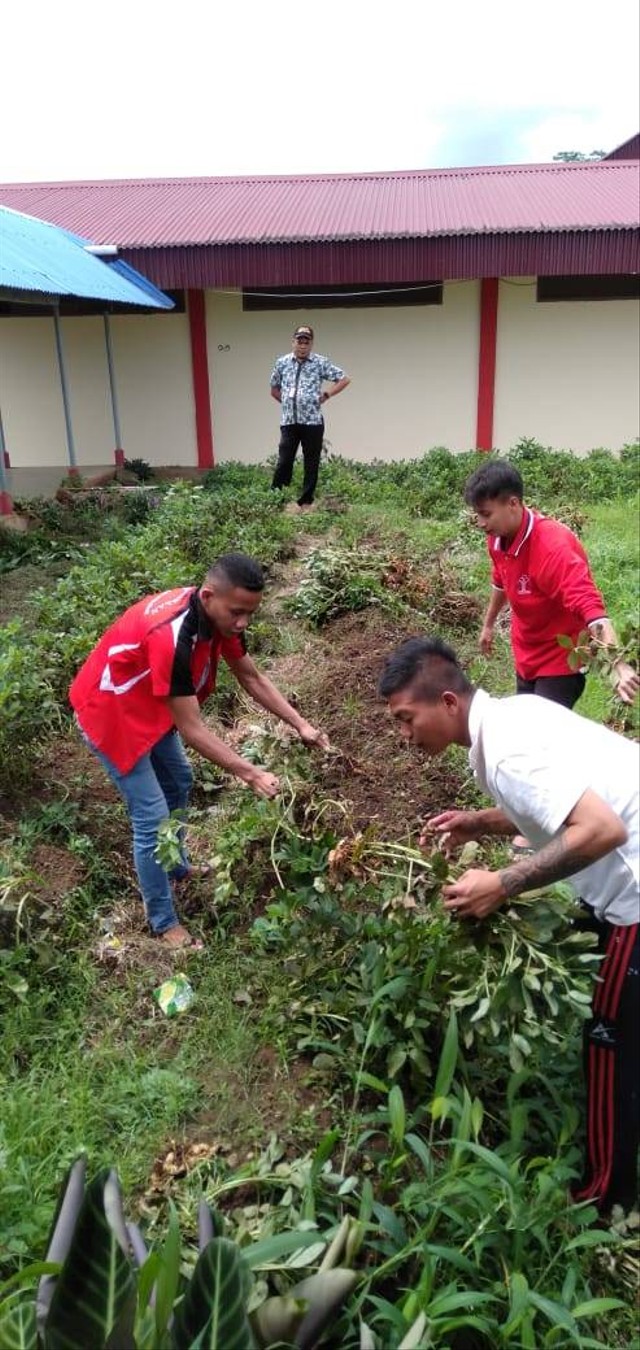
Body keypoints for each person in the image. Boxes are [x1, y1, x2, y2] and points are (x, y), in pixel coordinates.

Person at [379, 635, 639, 1214]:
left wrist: (504, 882)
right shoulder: (511, 717)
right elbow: (551, 801)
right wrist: (479, 822)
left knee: (608, 1039)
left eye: (405, 718)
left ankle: (605, 1198)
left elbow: (600, 830)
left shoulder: (505, 752)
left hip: (635, 894)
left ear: (446, 702)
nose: (404, 734)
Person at [70, 553, 328, 950]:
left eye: (250, 614)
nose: (242, 623)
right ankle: (163, 921)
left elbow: (251, 676)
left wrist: (301, 724)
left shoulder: (221, 617)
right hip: (112, 713)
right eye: (237, 612)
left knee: (180, 779)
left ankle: (176, 868)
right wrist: (252, 773)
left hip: (149, 705)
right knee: (152, 818)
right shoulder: (173, 635)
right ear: (208, 596)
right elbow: (193, 729)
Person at [464, 459, 639, 709]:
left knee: (542, 738)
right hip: (525, 652)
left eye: (486, 514)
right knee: (528, 729)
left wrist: (618, 663)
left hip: (561, 659)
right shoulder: (497, 538)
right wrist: (488, 625)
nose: (481, 523)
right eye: (478, 514)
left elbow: (591, 609)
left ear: (513, 504)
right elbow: (501, 580)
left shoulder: (553, 548)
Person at [270, 324, 351, 509]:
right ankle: (276, 498)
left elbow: (344, 378)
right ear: (293, 342)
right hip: (289, 422)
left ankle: (306, 501)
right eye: (299, 341)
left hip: (312, 422)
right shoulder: (282, 362)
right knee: (284, 461)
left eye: (306, 342)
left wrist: (327, 395)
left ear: (311, 344)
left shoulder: (320, 362)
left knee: (311, 461)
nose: (303, 345)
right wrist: (289, 403)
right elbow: (274, 389)